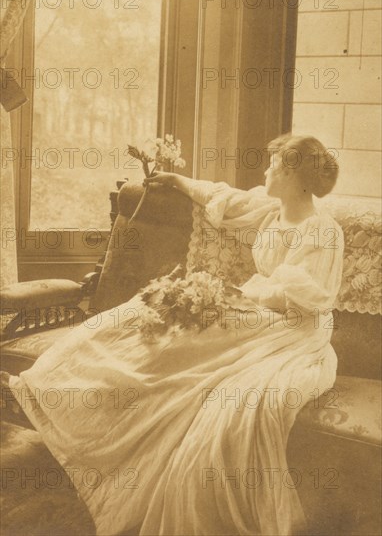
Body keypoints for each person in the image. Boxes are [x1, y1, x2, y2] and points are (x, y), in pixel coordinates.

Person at [8, 134, 344, 536]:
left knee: (191, 348)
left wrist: (238, 294)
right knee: (142, 320)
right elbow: (223, 196)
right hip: (257, 309)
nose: (265, 170)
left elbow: (307, 294)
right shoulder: (272, 208)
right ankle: (58, 397)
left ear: (291, 174)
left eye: (272, 166)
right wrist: (177, 181)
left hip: (292, 328)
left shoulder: (322, 230)